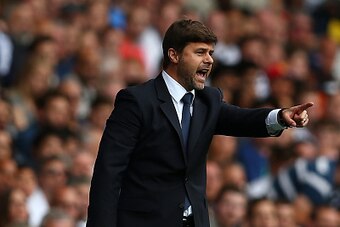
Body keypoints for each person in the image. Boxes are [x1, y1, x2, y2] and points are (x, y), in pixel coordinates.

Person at [87, 19, 313, 227]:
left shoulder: (208, 100)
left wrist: (281, 116)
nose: (210, 60)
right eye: (200, 52)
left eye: (211, 53)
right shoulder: (137, 101)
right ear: (174, 55)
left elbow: (241, 119)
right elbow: (108, 171)